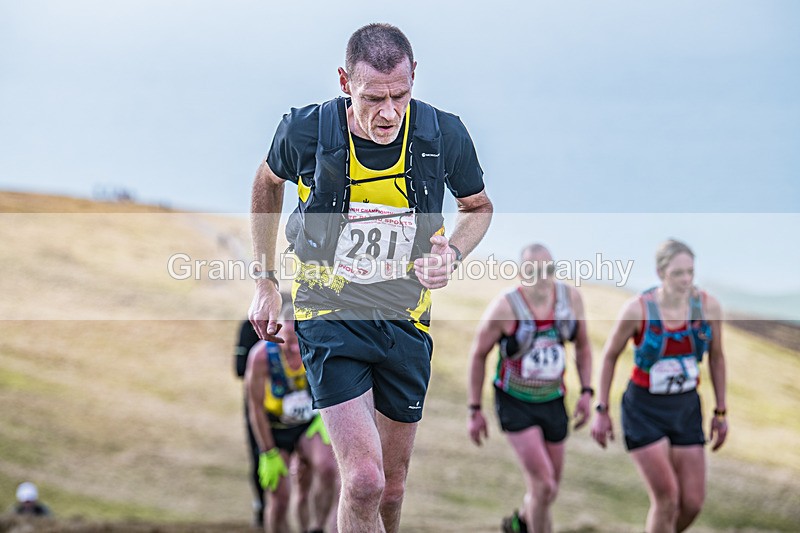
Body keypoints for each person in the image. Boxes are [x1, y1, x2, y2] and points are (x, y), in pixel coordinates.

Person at [248, 23, 493, 532]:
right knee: (363, 481)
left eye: (400, 96)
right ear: (345, 82)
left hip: (406, 319)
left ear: (414, 77)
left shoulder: (442, 134)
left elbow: (478, 207)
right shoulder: (307, 131)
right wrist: (265, 281)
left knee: (392, 489)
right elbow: (267, 182)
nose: (388, 113)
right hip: (328, 311)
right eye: (373, 98)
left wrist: (452, 255)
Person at [590, 239, 728, 533]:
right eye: (678, 273)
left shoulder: (707, 307)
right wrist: (601, 409)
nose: (686, 280)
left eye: (690, 272)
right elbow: (610, 356)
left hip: (686, 408)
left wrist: (720, 411)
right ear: (660, 273)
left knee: (692, 503)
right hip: (644, 410)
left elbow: (717, 358)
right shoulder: (637, 310)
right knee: (667, 498)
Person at [467, 244, 593, 533]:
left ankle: (519, 524)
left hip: (553, 399)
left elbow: (583, 346)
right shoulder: (505, 307)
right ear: (522, 273)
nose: (543, 277)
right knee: (543, 485)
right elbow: (478, 354)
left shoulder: (570, 300)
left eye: (548, 270)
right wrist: (475, 410)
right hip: (515, 402)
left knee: (549, 490)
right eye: (534, 271)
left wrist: (587, 392)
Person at [245, 303, 339, 533]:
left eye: (299, 341)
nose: (295, 349)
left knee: (328, 468)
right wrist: (268, 452)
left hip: (308, 423)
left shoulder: (317, 347)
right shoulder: (261, 356)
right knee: (279, 498)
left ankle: (317, 528)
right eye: (288, 341)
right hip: (276, 427)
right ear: (278, 333)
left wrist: (325, 418)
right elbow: (255, 408)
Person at [234, 317, 266, 526]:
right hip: (257, 402)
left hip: (292, 403)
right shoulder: (248, 327)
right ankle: (262, 506)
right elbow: (239, 369)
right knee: (259, 455)